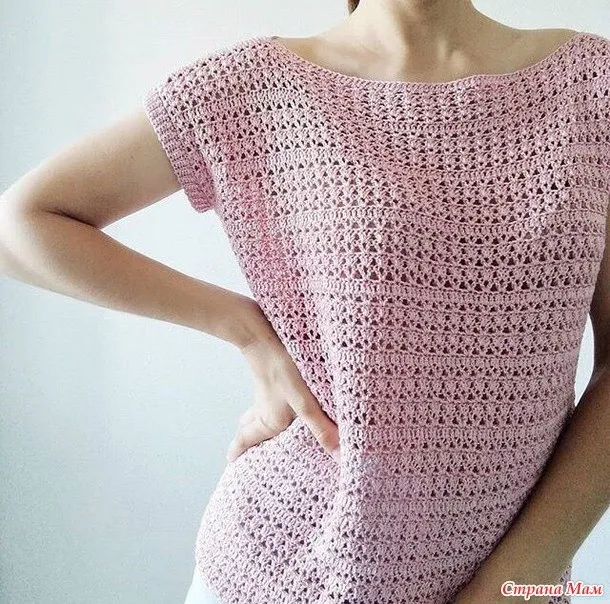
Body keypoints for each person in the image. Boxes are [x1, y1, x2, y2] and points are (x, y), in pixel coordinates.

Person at [1, 0, 609, 602]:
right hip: (278, 567)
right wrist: (246, 330)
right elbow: (20, 226)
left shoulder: (592, 83)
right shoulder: (251, 86)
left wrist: (520, 577)